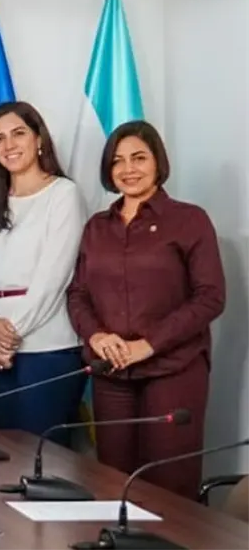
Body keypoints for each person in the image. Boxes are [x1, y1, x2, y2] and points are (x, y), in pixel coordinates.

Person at [67, 120, 224, 497]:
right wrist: (97, 336)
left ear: (158, 162)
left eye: (138, 158)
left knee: (170, 488)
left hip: (174, 370)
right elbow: (77, 293)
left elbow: (210, 296)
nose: (128, 169)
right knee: (113, 485)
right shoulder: (96, 227)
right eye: (118, 161)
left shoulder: (189, 220)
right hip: (111, 374)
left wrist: (147, 345)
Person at [0, 102, 87, 444]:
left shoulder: (63, 194)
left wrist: (10, 336)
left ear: (39, 139)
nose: (9, 145)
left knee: (45, 457)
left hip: (47, 350)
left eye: (18, 133)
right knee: (2, 456)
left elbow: (55, 276)